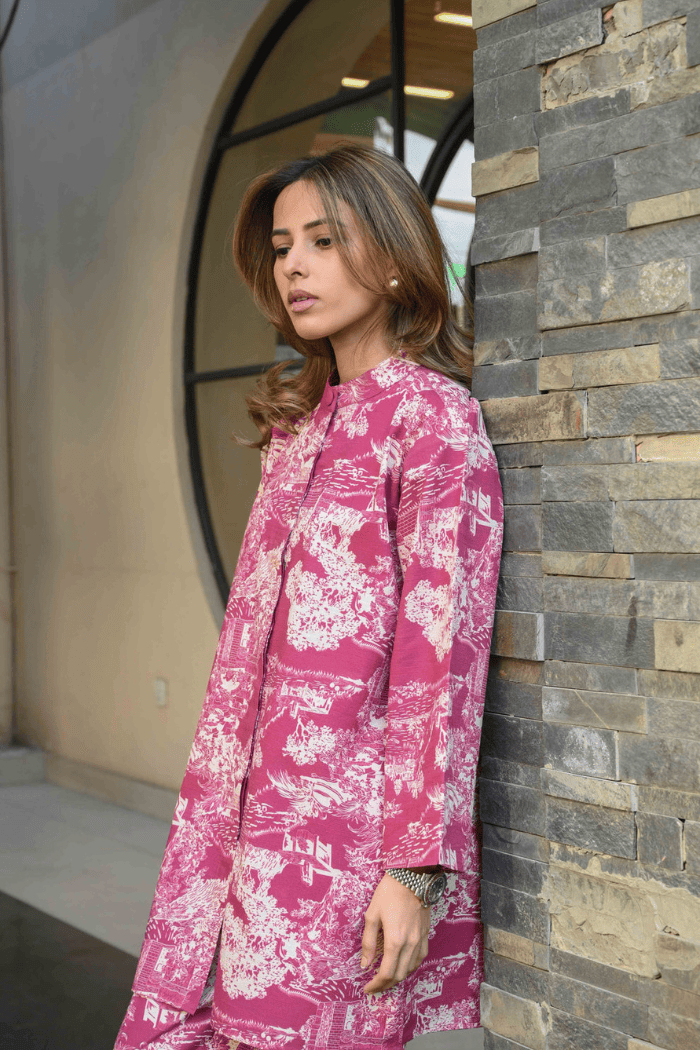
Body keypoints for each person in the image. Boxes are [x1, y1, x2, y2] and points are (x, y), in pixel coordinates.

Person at [115, 143, 503, 1050]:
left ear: (397, 252)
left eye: (324, 240)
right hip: (234, 824)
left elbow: (440, 665)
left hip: (344, 844)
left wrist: (415, 871)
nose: (293, 263)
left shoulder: (432, 420)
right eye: (285, 244)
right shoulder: (299, 429)